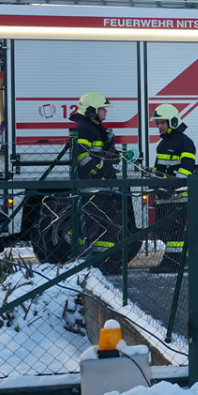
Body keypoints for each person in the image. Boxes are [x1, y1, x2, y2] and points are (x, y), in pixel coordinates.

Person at [67, 91, 125, 274]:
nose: (105, 112)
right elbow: (81, 156)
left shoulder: (96, 129)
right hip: (91, 186)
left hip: (102, 186)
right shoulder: (84, 129)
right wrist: (97, 170)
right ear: (91, 110)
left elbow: (98, 154)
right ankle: (75, 260)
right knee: (91, 225)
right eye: (102, 109)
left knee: (111, 225)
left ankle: (104, 263)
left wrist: (109, 148)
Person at [147, 103, 197, 274]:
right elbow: (159, 169)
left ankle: (172, 263)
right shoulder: (163, 144)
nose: (159, 126)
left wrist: (177, 191)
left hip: (176, 197)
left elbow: (186, 169)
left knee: (175, 232)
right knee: (163, 231)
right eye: (158, 123)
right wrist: (153, 184)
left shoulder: (185, 143)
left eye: (162, 123)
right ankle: (178, 259)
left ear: (173, 122)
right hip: (163, 195)